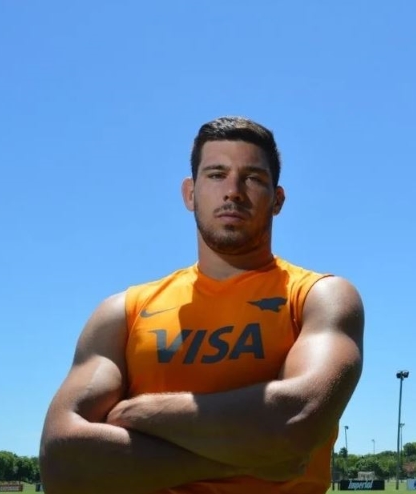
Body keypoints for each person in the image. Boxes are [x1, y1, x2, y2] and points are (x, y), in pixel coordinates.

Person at [38, 116, 365, 494]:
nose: (233, 192)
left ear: (277, 200)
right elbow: (62, 463)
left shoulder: (317, 297)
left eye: (253, 178)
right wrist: (256, 453)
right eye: (216, 175)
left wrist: (138, 412)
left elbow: (298, 420)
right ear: (190, 193)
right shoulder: (122, 313)